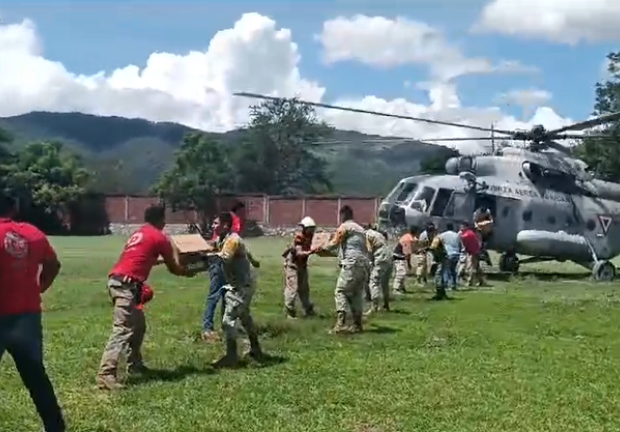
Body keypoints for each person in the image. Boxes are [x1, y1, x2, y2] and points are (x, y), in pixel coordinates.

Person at [97, 204, 193, 390]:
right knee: (123, 329)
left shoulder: (140, 233)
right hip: (126, 285)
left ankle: (135, 364)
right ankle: (106, 374)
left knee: (138, 327)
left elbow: (142, 258)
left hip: (120, 281)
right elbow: (173, 267)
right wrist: (188, 271)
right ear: (161, 219)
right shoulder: (159, 237)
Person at [0, 194, 66, 432]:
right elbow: (53, 265)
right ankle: (55, 427)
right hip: (27, 316)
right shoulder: (32, 233)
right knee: (36, 376)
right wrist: (38, 288)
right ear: (13, 209)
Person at [208, 211, 263, 367]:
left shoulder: (232, 240)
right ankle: (256, 349)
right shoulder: (222, 238)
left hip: (242, 286)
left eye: (215, 223)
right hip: (238, 283)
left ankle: (231, 356)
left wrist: (203, 256)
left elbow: (225, 257)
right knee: (244, 317)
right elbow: (246, 252)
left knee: (228, 321)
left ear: (225, 225)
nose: (213, 226)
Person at [315, 206, 370, 334]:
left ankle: (341, 324)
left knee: (341, 291)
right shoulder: (361, 229)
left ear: (343, 215)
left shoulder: (345, 227)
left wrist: (322, 247)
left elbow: (335, 242)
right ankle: (357, 324)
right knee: (356, 294)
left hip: (351, 263)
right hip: (363, 264)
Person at [283, 216, 317, 319]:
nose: (312, 230)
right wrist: (310, 252)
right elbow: (299, 253)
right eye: (310, 228)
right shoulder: (299, 237)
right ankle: (290, 311)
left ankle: (308, 310)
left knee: (304, 289)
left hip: (302, 265)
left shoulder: (310, 236)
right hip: (293, 265)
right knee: (293, 288)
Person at [365, 224, 392, 314]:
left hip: (381, 257)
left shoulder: (367, 234)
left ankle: (374, 307)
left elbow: (369, 250)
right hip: (389, 256)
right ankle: (386, 305)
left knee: (373, 281)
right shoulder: (378, 234)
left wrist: (371, 261)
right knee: (385, 283)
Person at [460, 221, 486, 287]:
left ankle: (469, 281)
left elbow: (467, 245)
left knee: (470, 267)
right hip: (475, 252)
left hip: (472, 252)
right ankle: (481, 281)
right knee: (476, 267)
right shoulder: (473, 234)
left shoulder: (467, 234)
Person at [392, 226, 417, 294]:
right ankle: (395, 288)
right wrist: (409, 263)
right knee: (401, 273)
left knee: (402, 272)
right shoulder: (408, 239)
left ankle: (401, 288)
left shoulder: (407, 236)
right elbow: (407, 252)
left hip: (400, 257)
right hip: (398, 257)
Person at [437, 223, 461, 291]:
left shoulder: (442, 235)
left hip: (448, 253)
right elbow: (459, 244)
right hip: (456, 253)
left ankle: (445, 283)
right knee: (453, 270)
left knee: (446, 270)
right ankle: (454, 284)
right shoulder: (456, 235)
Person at [428, 231, 449, 300]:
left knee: (438, 276)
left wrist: (424, 249)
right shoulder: (431, 239)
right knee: (438, 276)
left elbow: (433, 248)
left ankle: (440, 294)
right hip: (438, 259)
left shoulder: (436, 239)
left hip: (442, 259)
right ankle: (441, 293)